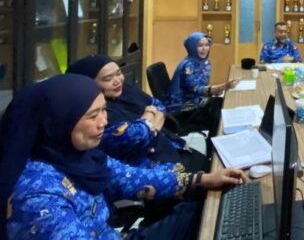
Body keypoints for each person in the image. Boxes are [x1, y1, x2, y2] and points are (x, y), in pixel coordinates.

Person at [0, 74, 243, 240]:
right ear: (57, 123)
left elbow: (132, 179)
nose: (103, 122)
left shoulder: (79, 155)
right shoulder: (38, 198)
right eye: (92, 116)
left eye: (103, 111)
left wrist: (202, 179)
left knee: (200, 208)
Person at [66, 54, 208, 173]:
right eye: (108, 79)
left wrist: (150, 131)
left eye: (118, 73)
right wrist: (150, 115)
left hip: (169, 146)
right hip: (149, 169)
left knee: (208, 165)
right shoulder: (97, 111)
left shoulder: (125, 90)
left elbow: (159, 106)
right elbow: (136, 135)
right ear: (89, 84)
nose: (117, 81)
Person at [168, 32, 238, 133]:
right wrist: (224, 86)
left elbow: (204, 87)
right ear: (192, 47)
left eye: (207, 45)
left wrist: (215, 91)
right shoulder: (188, 66)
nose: (204, 49)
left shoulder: (205, 62)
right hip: (183, 107)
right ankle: (214, 141)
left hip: (197, 100)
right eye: (200, 46)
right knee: (218, 112)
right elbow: (197, 89)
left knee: (223, 103)